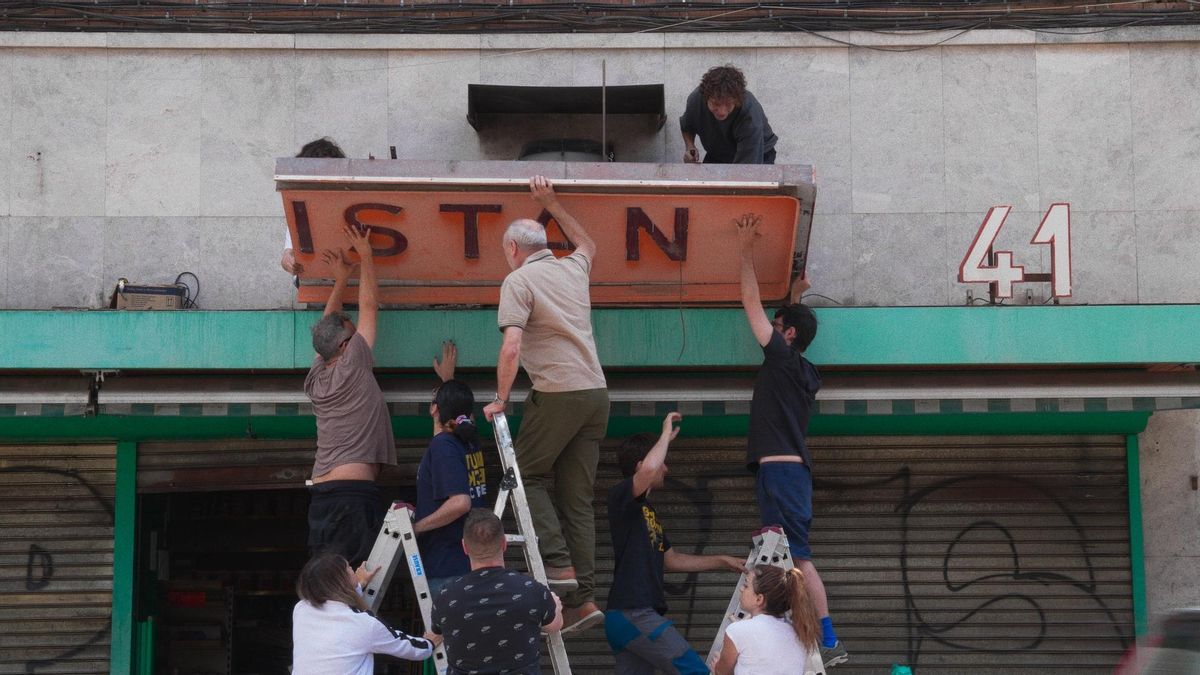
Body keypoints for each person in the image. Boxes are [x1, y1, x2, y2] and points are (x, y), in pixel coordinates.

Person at [481, 175, 609, 634]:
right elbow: (588, 242)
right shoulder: (572, 267)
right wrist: (552, 202)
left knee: (526, 475)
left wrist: (500, 399)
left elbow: (512, 347)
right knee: (578, 500)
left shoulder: (518, 281)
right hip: (596, 394)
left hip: (557, 393)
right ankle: (586, 600)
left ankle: (557, 565)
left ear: (513, 248)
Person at [735, 213, 847, 668]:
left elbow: (749, 303)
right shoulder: (803, 370)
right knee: (788, 557)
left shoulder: (781, 360)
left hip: (781, 472)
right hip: (784, 472)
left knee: (796, 558)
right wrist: (797, 297)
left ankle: (826, 635)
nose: (771, 328)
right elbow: (783, 320)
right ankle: (809, 630)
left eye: (779, 324)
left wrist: (744, 251)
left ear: (789, 335)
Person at [605, 412, 746, 675]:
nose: (666, 469)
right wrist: (664, 435)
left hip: (628, 617)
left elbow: (672, 560)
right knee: (693, 670)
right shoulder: (620, 497)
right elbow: (649, 468)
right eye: (663, 463)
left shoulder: (648, 513)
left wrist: (722, 560)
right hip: (633, 612)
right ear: (641, 464)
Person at [304, 223, 391, 566]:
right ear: (345, 346)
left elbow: (326, 325)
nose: (359, 340)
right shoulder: (352, 363)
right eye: (353, 338)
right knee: (354, 587)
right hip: (349, 497)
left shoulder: (316, 374)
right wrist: (367, 257)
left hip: (323, 497)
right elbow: (369, 308)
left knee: (329, 585)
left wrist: (341, 278)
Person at [431, 509, 564, 675]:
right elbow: (554, 625)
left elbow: (436, 633)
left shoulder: (445, 597)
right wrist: (556, 606)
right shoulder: (532, 590)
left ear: (464, 547)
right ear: (504, 543)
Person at [292, 552, 439, 674]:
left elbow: (336, 602)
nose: (353, 569)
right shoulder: (364, 625)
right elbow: (409, 648)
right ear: (341, 581)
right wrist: (430, 643)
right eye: (349, 568)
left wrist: (357, 584)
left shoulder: (301, 610)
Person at [413, 364, 489, 595]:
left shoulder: (443, 446)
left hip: (447, 566)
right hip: (468, 562)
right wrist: (449, 382)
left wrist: (416, 528)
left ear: (434, 409)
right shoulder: (468, 442)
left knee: (445, 632)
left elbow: (460, 502)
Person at [711, 565, 821, 675]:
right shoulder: (800, 631)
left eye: (746, 586)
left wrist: (717, 667)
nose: (741, 589)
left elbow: (722, 672)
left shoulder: (737, 630)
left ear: (759, 599)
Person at [680, 65, 778, 165]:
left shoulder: (750, 116)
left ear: (737, 100)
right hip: (718, 153)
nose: (722, 111)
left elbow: (743, 171)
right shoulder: (696, 99)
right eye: (716, 104)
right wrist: (690, 146)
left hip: (758, 152)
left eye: (728, 104)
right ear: (706, 98)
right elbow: (687, 126)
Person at [283, 137, 347, 275]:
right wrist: (288, 260)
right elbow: (288, 253)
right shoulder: (300, 208)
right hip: (313, 281)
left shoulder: (349, 204)